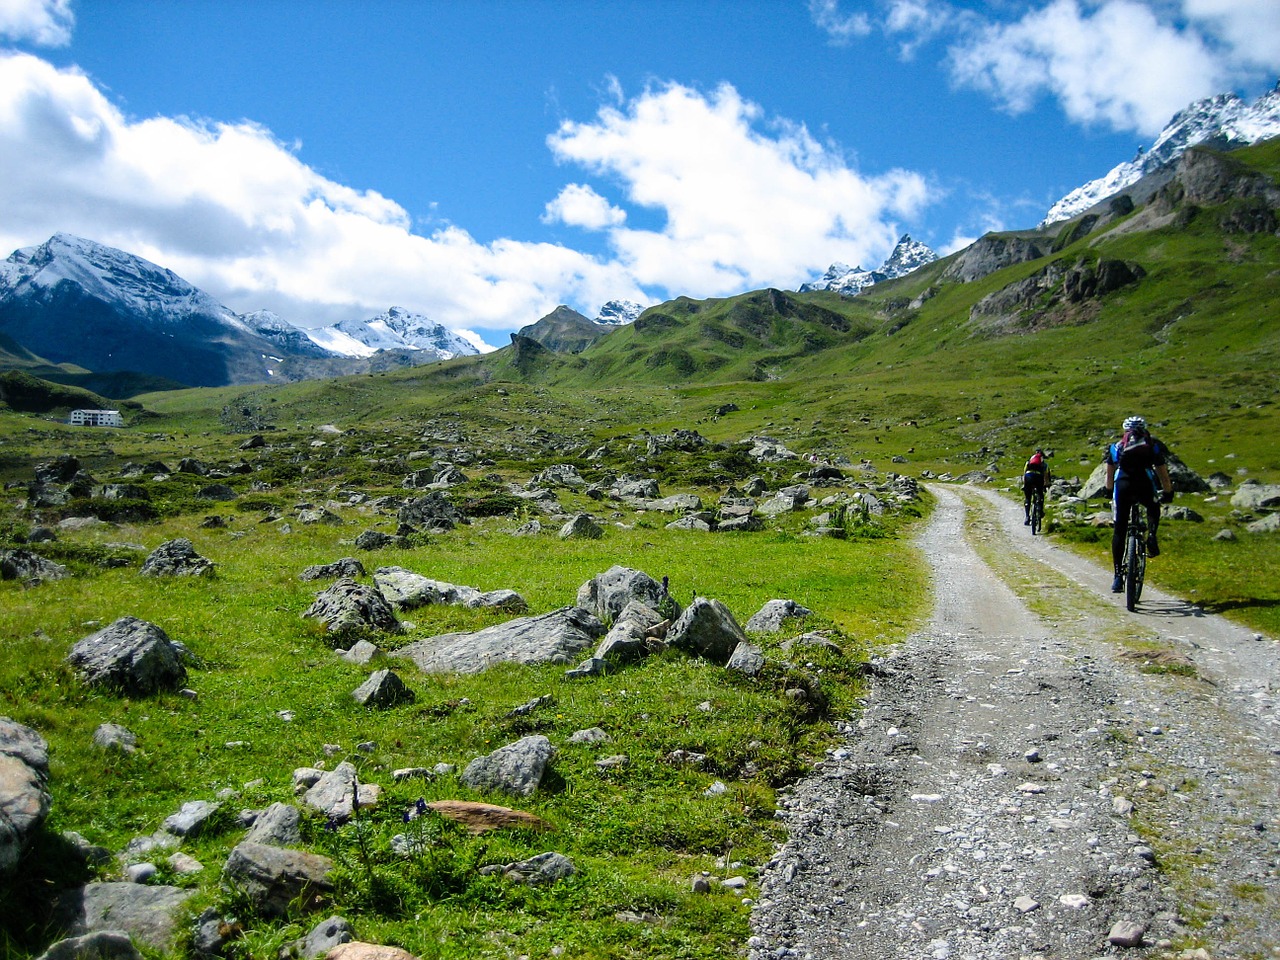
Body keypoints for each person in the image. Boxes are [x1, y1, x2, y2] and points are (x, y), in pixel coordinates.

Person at [1103, 415, 1175, 593]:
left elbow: (1109, 476)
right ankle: (1152, 535)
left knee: (1120, 528)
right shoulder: (1153, 446)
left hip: (1124, 484)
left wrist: (1107, 490)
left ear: (1125, 430)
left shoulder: (1116, 447)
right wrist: (1168, 492)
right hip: (1144, 483)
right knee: (1152, 507)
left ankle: (1118, 576)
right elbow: (1162, 473)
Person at [1022, 448, 1050, 525]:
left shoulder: (1029, 462)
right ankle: (1040, 511)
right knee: (1040, 494)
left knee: (1028, 498)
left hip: (1028, 477)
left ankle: (1027, 517)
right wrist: (1046, 484)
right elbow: (1046, 475)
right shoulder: (1044, 464)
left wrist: (1024, 485)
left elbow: (1024, 473)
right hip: (1038, 477)